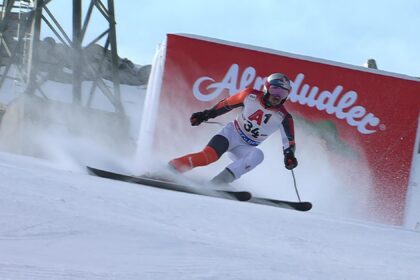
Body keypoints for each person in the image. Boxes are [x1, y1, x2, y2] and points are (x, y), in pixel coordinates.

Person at [169, 73, 298, 185]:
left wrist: (289, 156)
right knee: (208, 157)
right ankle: (172, 167)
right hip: (230, 135)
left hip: (245, 147)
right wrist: (205, 115)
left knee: (258, 155)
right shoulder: (250, 95)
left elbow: (289, 142)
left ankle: (218, 183)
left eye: (283, 93)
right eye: (275, 90)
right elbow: (225, 105)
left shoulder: (284, 117)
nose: (277, 96)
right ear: (266, 88)